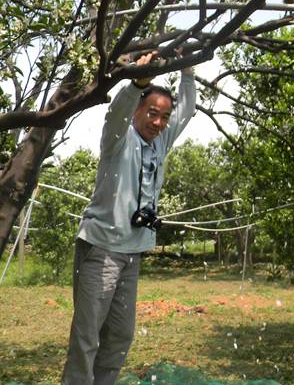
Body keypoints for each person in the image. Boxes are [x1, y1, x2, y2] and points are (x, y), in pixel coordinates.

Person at [62, 52, 196, 384]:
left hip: (131, 254)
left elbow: (186, 111)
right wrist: (138, 82)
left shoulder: (160, 143)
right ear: (138, 109)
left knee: (120, 336)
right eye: (152, 113)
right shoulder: (118, 140)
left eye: (163, 117)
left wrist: (189, 72)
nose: (159, 122)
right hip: (101, 249)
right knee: (87, 337)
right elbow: (116, 113)